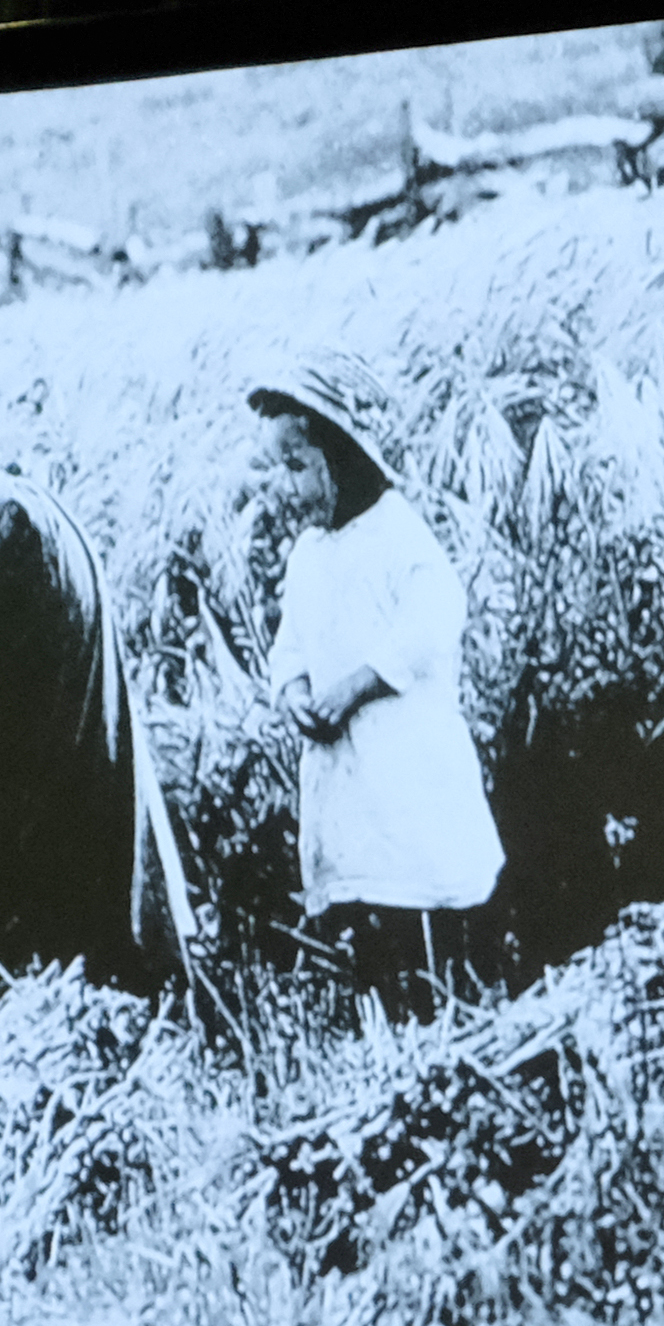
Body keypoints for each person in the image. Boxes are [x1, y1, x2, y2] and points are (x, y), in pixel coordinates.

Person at [211, 370, 495, 920]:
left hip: (407, 773)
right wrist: (295, 693)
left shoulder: (396, 533)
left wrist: (355, 687)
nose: (288, 489)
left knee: (419, 897)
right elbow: (288, 646)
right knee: (361, 908)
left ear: (340, 460)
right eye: (280, 470)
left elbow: (434, 617)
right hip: (345, 781)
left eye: (299, 467)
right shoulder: (309, 556)